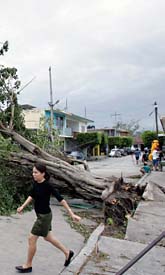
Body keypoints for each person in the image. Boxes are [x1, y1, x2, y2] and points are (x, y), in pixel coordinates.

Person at [15, 163, 81, 273]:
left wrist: (71, 214)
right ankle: (67, 252)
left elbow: (61, 200)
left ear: (43, 174)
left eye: (36, 172)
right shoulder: (36, 183)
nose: (33, 174)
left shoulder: (48, 186)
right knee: (48, 237)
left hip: (44, 217)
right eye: (33, 172)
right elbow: (31, 196)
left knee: (31, 238)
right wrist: (22, 206)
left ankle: (28, 265)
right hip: (42, 216)